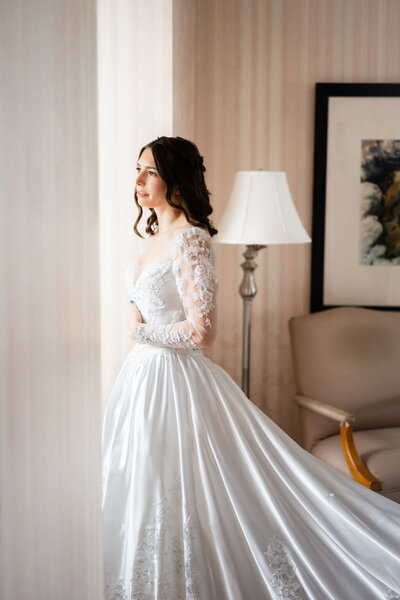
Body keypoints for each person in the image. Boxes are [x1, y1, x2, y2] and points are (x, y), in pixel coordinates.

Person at [102, 136, 400, 600]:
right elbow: (154, 302)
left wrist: (139, 331)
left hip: (176, 380)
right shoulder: (153, 233)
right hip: (140, 380)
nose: (139, 181)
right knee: (144, 485)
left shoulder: (191, 239)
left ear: (176, 179)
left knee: (189, 487)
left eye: (152, 172)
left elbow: (202, 332)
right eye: (138, 169)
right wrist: (139, 324)